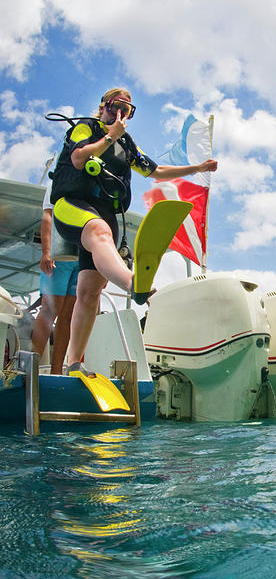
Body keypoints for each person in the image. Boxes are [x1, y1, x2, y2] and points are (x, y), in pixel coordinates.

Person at [50, 88, 217, 374]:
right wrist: (110, 135)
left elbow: (154, 171)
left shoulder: (126, 144)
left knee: (90, 292)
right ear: (102, 107)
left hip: (106, 211)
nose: (119, 114)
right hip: (73, 205)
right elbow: (79, 159)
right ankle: (133, 284)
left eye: (126, 110)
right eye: (114, 107)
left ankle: (74, 364)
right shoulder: (86, 128)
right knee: (100, 234)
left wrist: (196, 168)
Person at [31, 185, 79, 374]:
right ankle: (31, 366)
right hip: (59, 253)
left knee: (68, 316)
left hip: (82, 256)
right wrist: (46, 251)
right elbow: (48, 215)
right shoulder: (59, 180)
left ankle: (57, 370)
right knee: (50, 309)